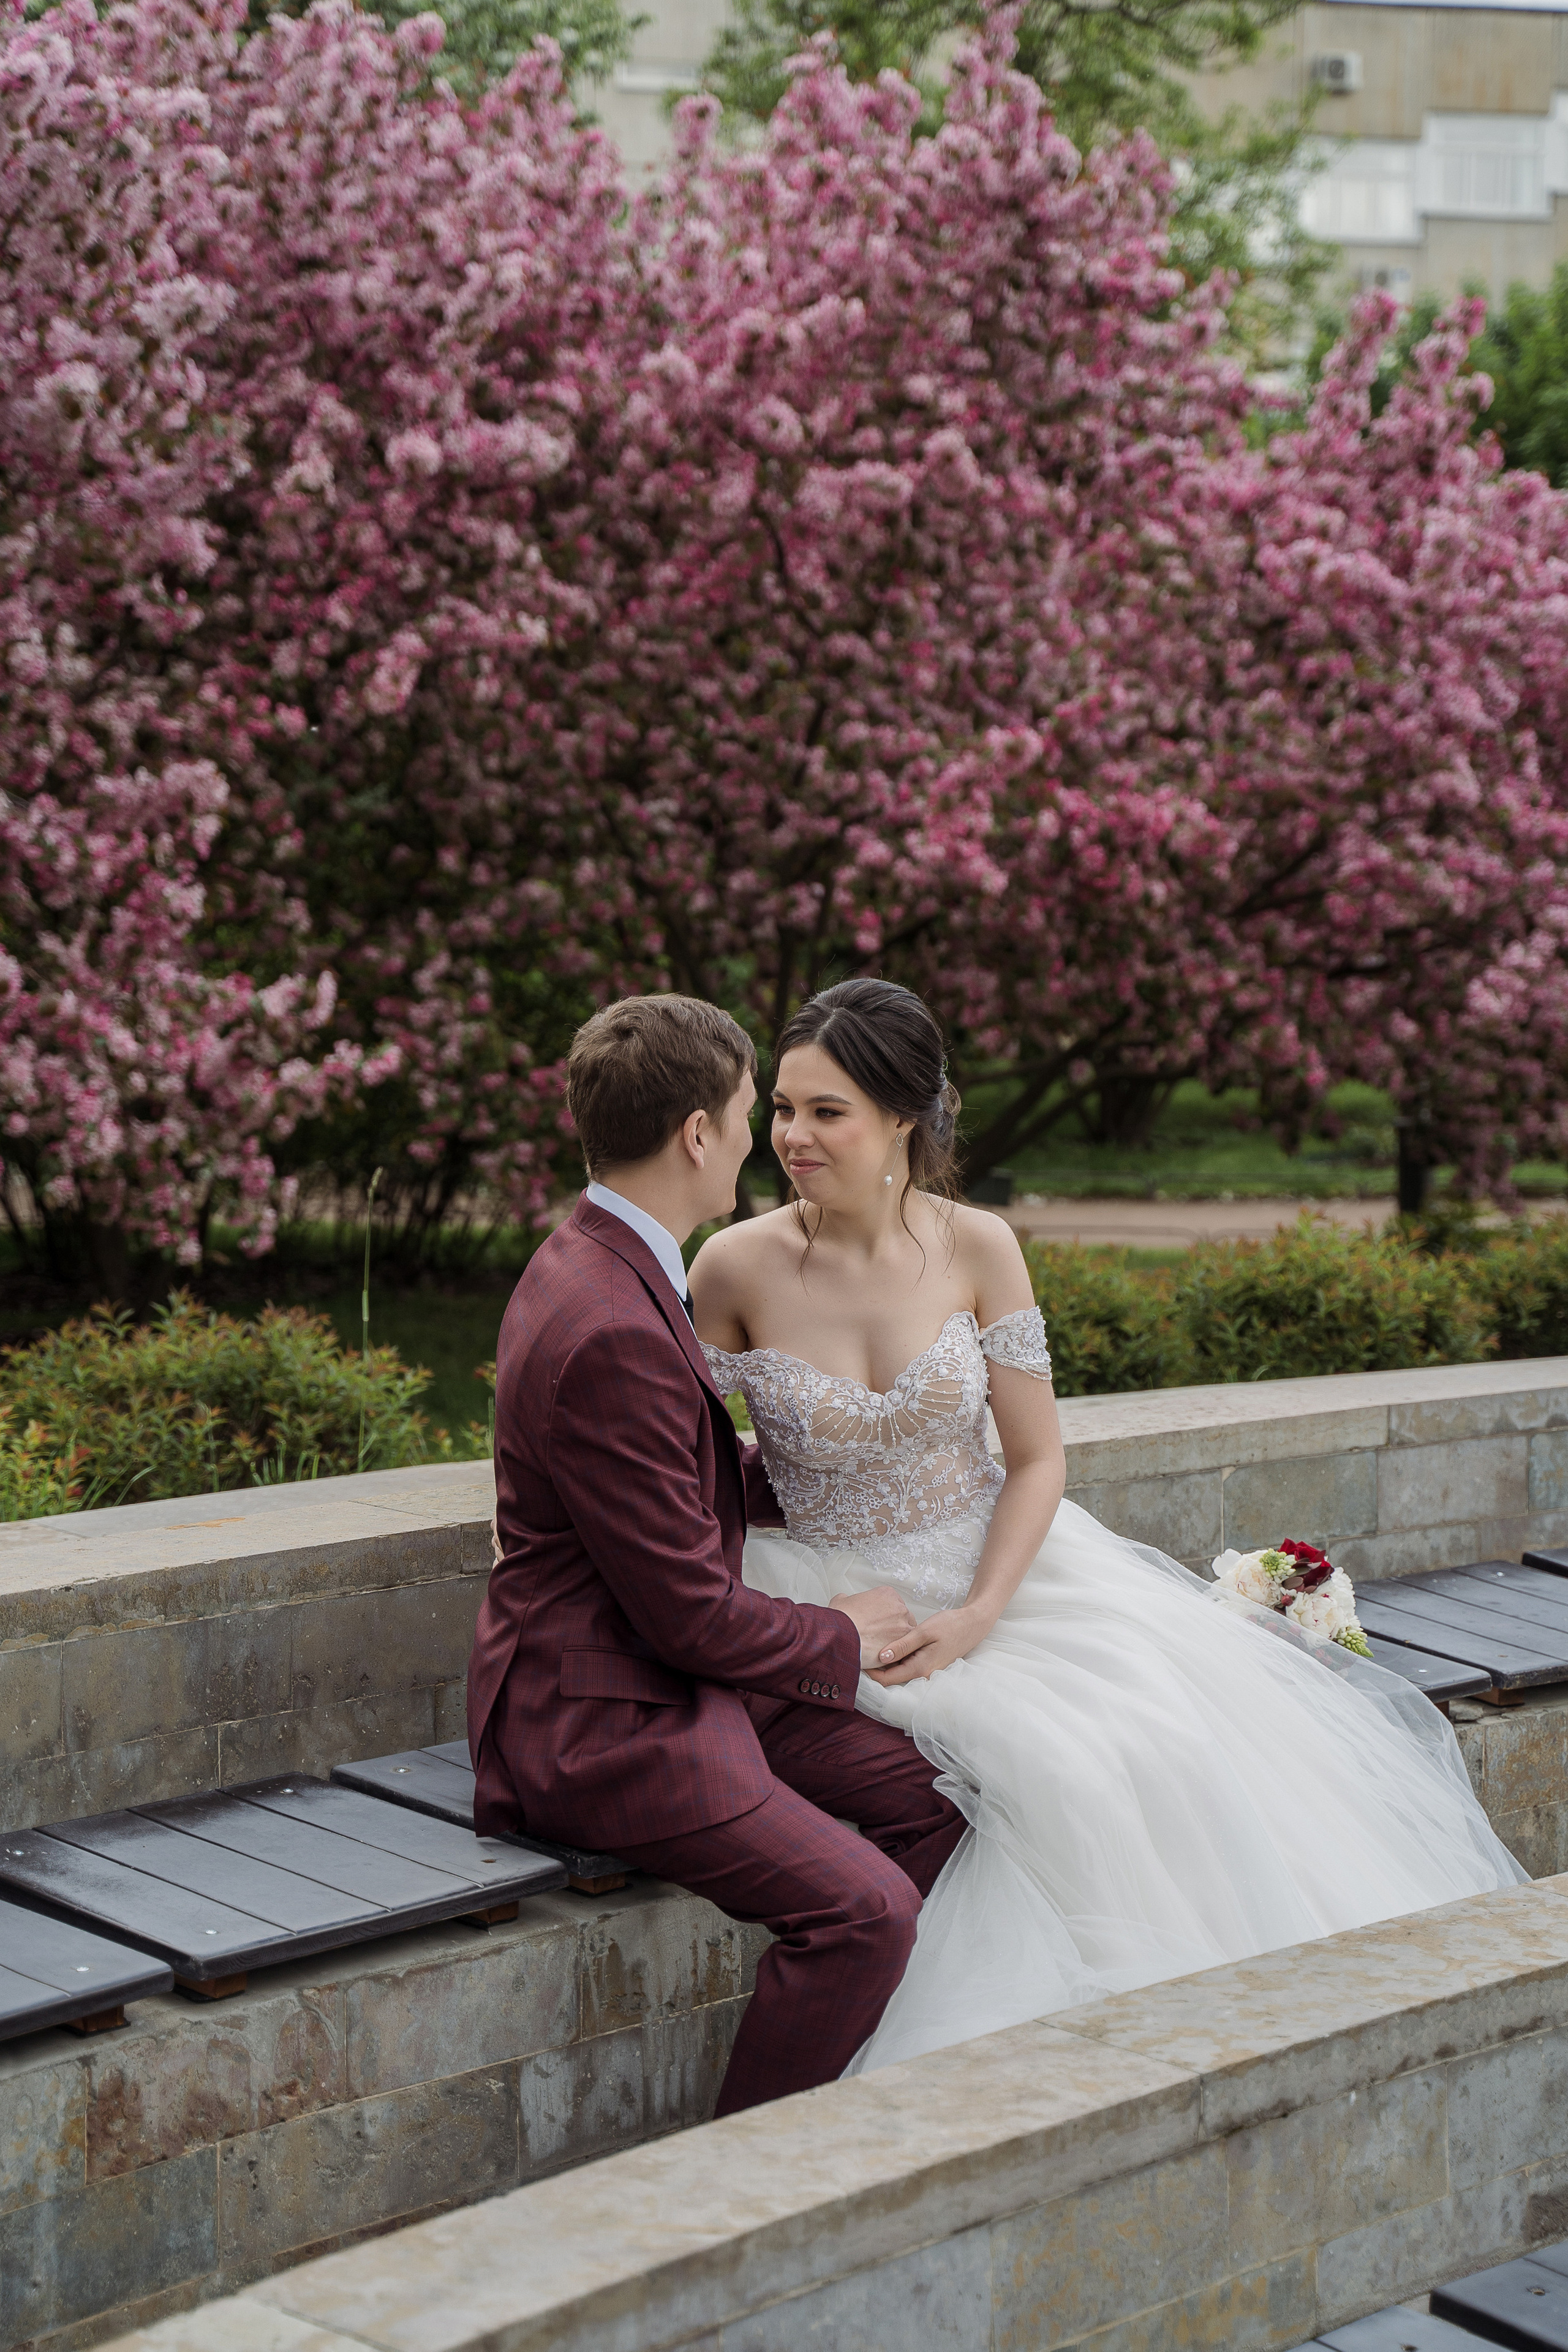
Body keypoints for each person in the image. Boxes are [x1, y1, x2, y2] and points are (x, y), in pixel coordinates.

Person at [689, 976, 1526, 2074]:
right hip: (833, 1587)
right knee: (1044, 1777)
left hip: (1006, 1574)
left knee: (1150, 1750)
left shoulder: (980, 1247)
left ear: (904, 1115)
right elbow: (678, 1459)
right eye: (785, 1108)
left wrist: (984, 1611)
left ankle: (1192, 2050)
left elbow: (1037, 1458)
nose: (792, 1136)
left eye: (826, 1111)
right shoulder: (731, 1266)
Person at [467, 993, 967, 2114]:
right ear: (699, 1134)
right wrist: (844, 1633)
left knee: (946, 1794)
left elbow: (666, 1489)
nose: (764, 1136)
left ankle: (867, 2076)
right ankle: (743, 2178)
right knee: (864, 1912)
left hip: (671, 1674)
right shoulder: (609, 1321)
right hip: (600, 1721)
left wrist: (861, 1466)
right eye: (754, 1109)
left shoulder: (605, 1261)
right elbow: (689, 1614)